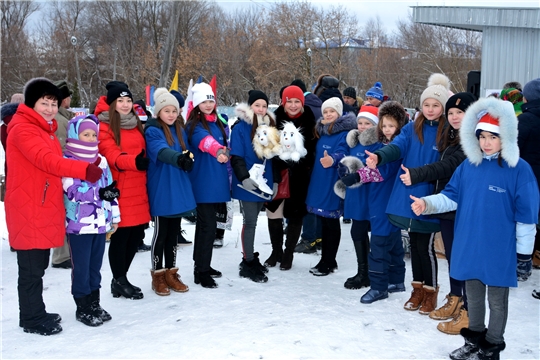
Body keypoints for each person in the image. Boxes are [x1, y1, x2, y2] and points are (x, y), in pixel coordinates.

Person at [410, 97, 538, 360]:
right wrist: (426, 203)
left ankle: (491, 347)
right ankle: (474, 341)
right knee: (474, 297)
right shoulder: (469, 166)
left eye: (493, 137)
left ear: (507, 137)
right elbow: (450, 196)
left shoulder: (519, 170)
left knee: (497, 301)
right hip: (469, 244)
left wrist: (524, 255)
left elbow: (527, 216)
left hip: (499, 248)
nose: (486, 142)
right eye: (482, 136)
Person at [6, 77, 103, 336]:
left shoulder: (42, 128)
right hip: (28, 207)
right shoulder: (25, 129)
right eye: (44, 103)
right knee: (31, 269)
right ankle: (31, 318)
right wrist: (84, 169)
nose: (49, 108)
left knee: (38, 265)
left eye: (53, 103)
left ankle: (36, 311)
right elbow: (48, 161)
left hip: (39, 204)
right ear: (31, 103)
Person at [365, 73, 451, 315]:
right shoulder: (414, 128)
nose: (431, 109)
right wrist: (380, 156)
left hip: (430, 195)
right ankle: (417, 289)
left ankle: (431, 290)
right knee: (414, 245)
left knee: (425, 247)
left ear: (443, 107)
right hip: (409, 194)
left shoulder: (447, 132)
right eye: (426, 105)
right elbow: (397, 146)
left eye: (436, 105)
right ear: (421, 106)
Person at [400, 92, 475, 334]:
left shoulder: (472, 140)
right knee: (454, 256)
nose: (454, 117)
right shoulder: (452, 137)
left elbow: (448, 166)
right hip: (446, 205)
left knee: (463, 259)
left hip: (462, 206)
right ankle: (456, 298)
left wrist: (417, 174)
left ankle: (466, 306)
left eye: (460, 112)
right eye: (451, 112)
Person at [340, 101, 407, 303]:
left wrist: (357, 176)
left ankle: (378, 287)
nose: (387, 130)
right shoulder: (387, 144)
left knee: (378, 244)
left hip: (384, 200)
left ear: (399, 127)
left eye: (391, 126)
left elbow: (381, 171)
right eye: (384, 126)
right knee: (393, 241)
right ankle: (396, 280)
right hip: (383, 199)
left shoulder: (395, 148)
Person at [62, 114, 120, 327]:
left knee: (95, 266)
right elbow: (72, 190)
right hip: (79, 225)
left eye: (93, 134)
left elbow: (110, 188)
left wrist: (114, 215)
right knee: (82, 267)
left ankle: (94, 302)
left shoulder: (101, 160)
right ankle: (82, 305)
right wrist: (99, 194)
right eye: (85, 134)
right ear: (75, 135)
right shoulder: (68, 160)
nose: (90, 137)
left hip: (100, 223)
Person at [95, 81, 151, 300]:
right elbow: (110, 154)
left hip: (139, 185)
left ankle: (121, 278)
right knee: (122, 235)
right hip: (120, 186)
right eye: (120, 101)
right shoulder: (103, 125)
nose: (126, 104)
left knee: (137, 233)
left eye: (128, 100)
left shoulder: (135, 122)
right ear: (112, 103)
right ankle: (119, 279)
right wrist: (133, 162)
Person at [144, 88, 195, 296]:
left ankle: (171, 273)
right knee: (161, 233)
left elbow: (188, 151)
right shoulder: (153, 130)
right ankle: (158, 274)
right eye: (167, 110)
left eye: (174, 110)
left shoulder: (180, 130)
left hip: (178, 185)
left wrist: (189, 159)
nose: (171, 114)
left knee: (174, 233)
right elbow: (160, 150)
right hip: (162, 187)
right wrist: (179, 159)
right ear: (158, 112)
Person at [265, 85, 317, 270]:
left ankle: (288, 253)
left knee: (295, 216)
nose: (293, 106)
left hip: (300, 176)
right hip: (277, 174)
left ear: (302, 103)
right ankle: (275, 251)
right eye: (290, 102)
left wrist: (301, 160)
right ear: (283, 103)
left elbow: (313, 150)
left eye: (297, 102)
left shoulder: (310, 122)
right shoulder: (274, 120)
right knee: (274, 213)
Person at [185, 82, 230, 288]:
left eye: (211, 100)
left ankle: (203, 265)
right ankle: (201, 272)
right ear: (196, 104)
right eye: (204, 101)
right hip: (203, 182)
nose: (208, 104)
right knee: (207, 227)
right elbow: (205, 141)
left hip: (216, 181)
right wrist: (219, 151)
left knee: (208, 228)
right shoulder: (194, 125)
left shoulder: (218, 122)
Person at [305, 97, 357, 276]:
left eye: (332, 112)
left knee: (331, 223)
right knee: (324, 222)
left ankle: (328, 261)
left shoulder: (344, 133)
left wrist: (333, 159)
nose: (328, 114)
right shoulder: (322, 131)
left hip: (332, 182)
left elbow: (343, 152)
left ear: (339, 113)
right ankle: (327, 259)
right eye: (325, 112)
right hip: (320, 180)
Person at [230, 90, 276, 283]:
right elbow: (237, 156)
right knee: (250, 222)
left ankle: (250, 257)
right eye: (257, 105)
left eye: (264, 106)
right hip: (248, 183)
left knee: (256, 220)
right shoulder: (241, 128)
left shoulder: (269, 126)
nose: (261, 109)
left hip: (264, 182)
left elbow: (273, 157)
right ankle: (247, 262)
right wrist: (243, 177)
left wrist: (274, 181)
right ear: (250, 107)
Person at [338, 105, 380, 289]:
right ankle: (364, 272)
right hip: (355, 193)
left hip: (368, 194)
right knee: (358, 231)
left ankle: (368, 273)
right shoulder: (353, 143)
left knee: (361, 231)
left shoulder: (377, 144)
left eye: (367, 123)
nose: (362, 126)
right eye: (360, 123)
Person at [51, 80, 76, 269]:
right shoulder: (60, 120)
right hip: (62, 171)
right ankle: (60, 256)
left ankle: (63, 253)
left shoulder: (62, 117)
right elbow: (62, 147)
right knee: (62, 213)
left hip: (64, 170)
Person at [517, 78, 540, 280]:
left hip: (526, 178)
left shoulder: (526, 120)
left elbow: (512, 150)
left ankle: (523, 262)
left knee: (523, 220)